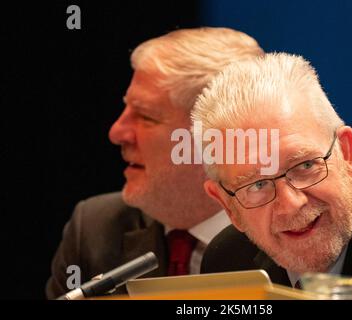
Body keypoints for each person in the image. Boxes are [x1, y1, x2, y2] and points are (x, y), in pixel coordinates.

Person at [192, 53, 352, 299]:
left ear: (346, 153)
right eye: (257, 184)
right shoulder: (229, 261)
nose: (291, 204)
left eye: (304, 166)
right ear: (228, 207)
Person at [46, 27, 264, 299]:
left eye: (146, 117)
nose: (116, 132)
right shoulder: (94, 228)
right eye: (126, 109)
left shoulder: (294, 236)